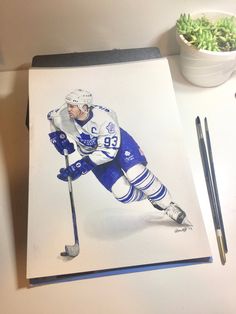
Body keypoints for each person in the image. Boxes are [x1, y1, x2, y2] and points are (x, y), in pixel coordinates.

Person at [47, 89, 190, 225]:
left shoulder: (105, 119)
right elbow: (51, 118)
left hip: (118, 144)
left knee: (136, 175)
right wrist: (57, 138)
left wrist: (79, 167)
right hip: (91, 154)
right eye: (68, 105)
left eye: (72, 106)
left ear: (84, 107)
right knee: (123, 194)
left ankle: (168, 205)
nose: (68, 109)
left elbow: (108, 152)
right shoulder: (62, 115)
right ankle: (151, 195)